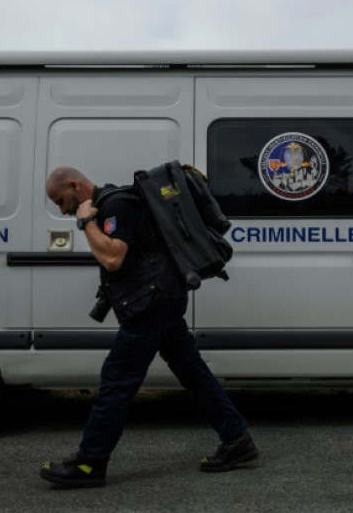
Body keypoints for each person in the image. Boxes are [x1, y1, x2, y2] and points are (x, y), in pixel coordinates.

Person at [40, 166, 258, 488]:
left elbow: (113, 258)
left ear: (74, 185)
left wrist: (86, 222)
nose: (62, 210)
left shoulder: (116, 206)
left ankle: (89, 463)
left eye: (60, 200)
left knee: (116, 380)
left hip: (150, 308)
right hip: (162, 301)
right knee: (193, 372)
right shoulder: (110, 205)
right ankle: (237, 439)